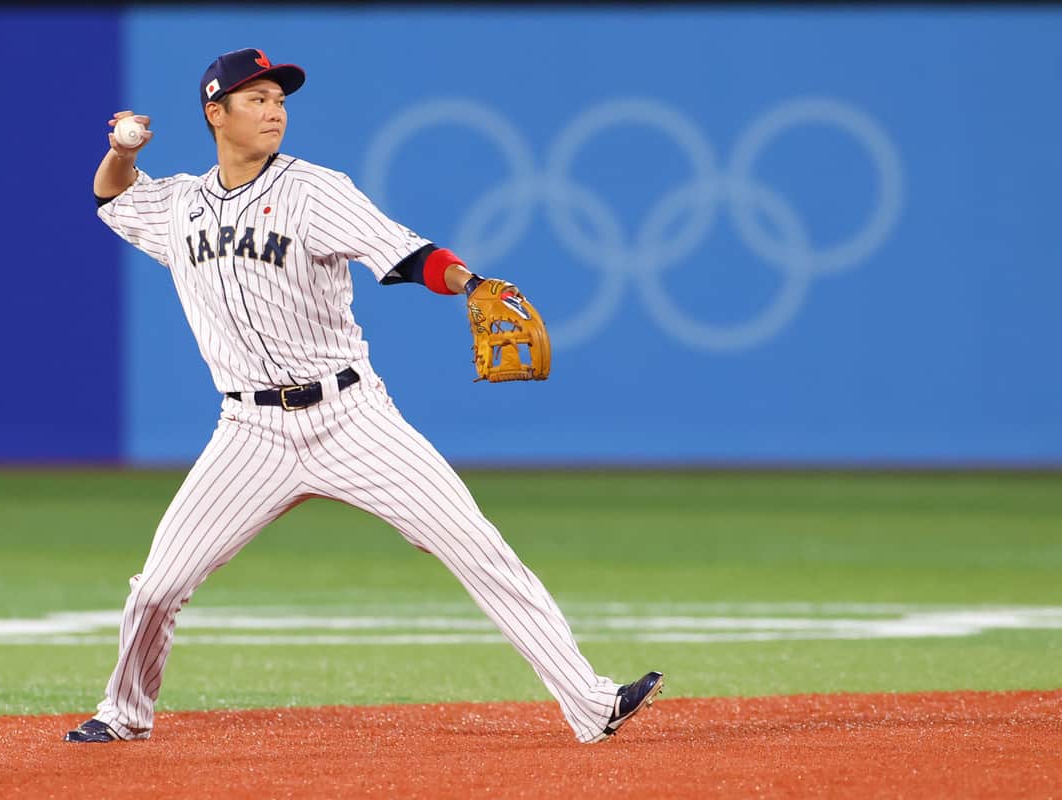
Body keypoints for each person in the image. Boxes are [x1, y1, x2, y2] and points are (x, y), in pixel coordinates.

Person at [65, 47, 663, 745]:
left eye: (280, 99)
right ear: (215, 113)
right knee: (159, 586)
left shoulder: (314, 189)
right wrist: (120, 150)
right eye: (256, 98)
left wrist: (469, 283)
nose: (275, 109)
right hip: (248, 430)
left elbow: (404, 252)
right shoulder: (181, 205)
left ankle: (591, 704)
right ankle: (126, 713)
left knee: (476, 546)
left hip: (352, 419)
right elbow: (112, 197)